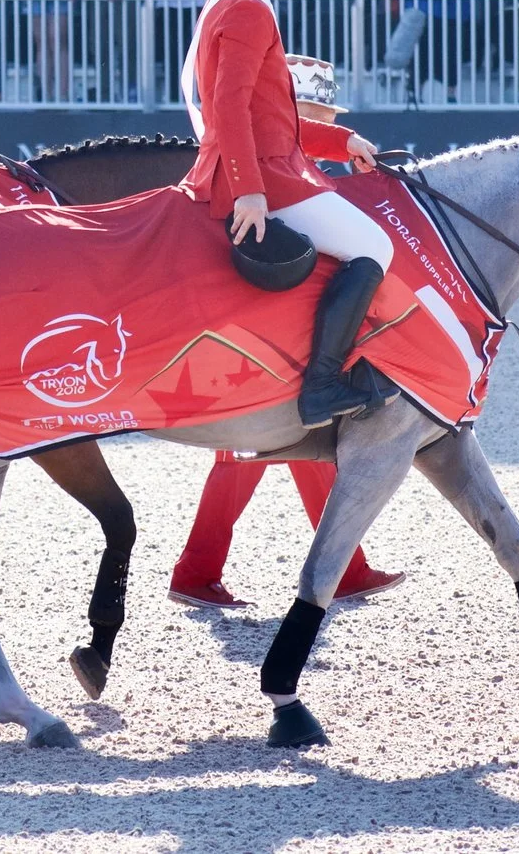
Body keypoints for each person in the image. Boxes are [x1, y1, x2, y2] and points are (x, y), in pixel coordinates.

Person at [169, 57, 404, 611]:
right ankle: (197, 571)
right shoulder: (269, 155)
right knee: (248, 446)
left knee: (298, 435)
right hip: (252, 314)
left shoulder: (279, 151)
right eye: (317, 110)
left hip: (269, 312)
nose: (319, 121)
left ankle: (343, 568)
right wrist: (342, 142)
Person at [183, 0, 388, 443]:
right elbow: (228, 106)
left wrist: (343, 141)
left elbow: (267, 115)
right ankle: (321, 386)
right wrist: (250, 191)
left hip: (255, 161)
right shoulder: (250, 7)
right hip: (262, 176)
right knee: (376, 249)